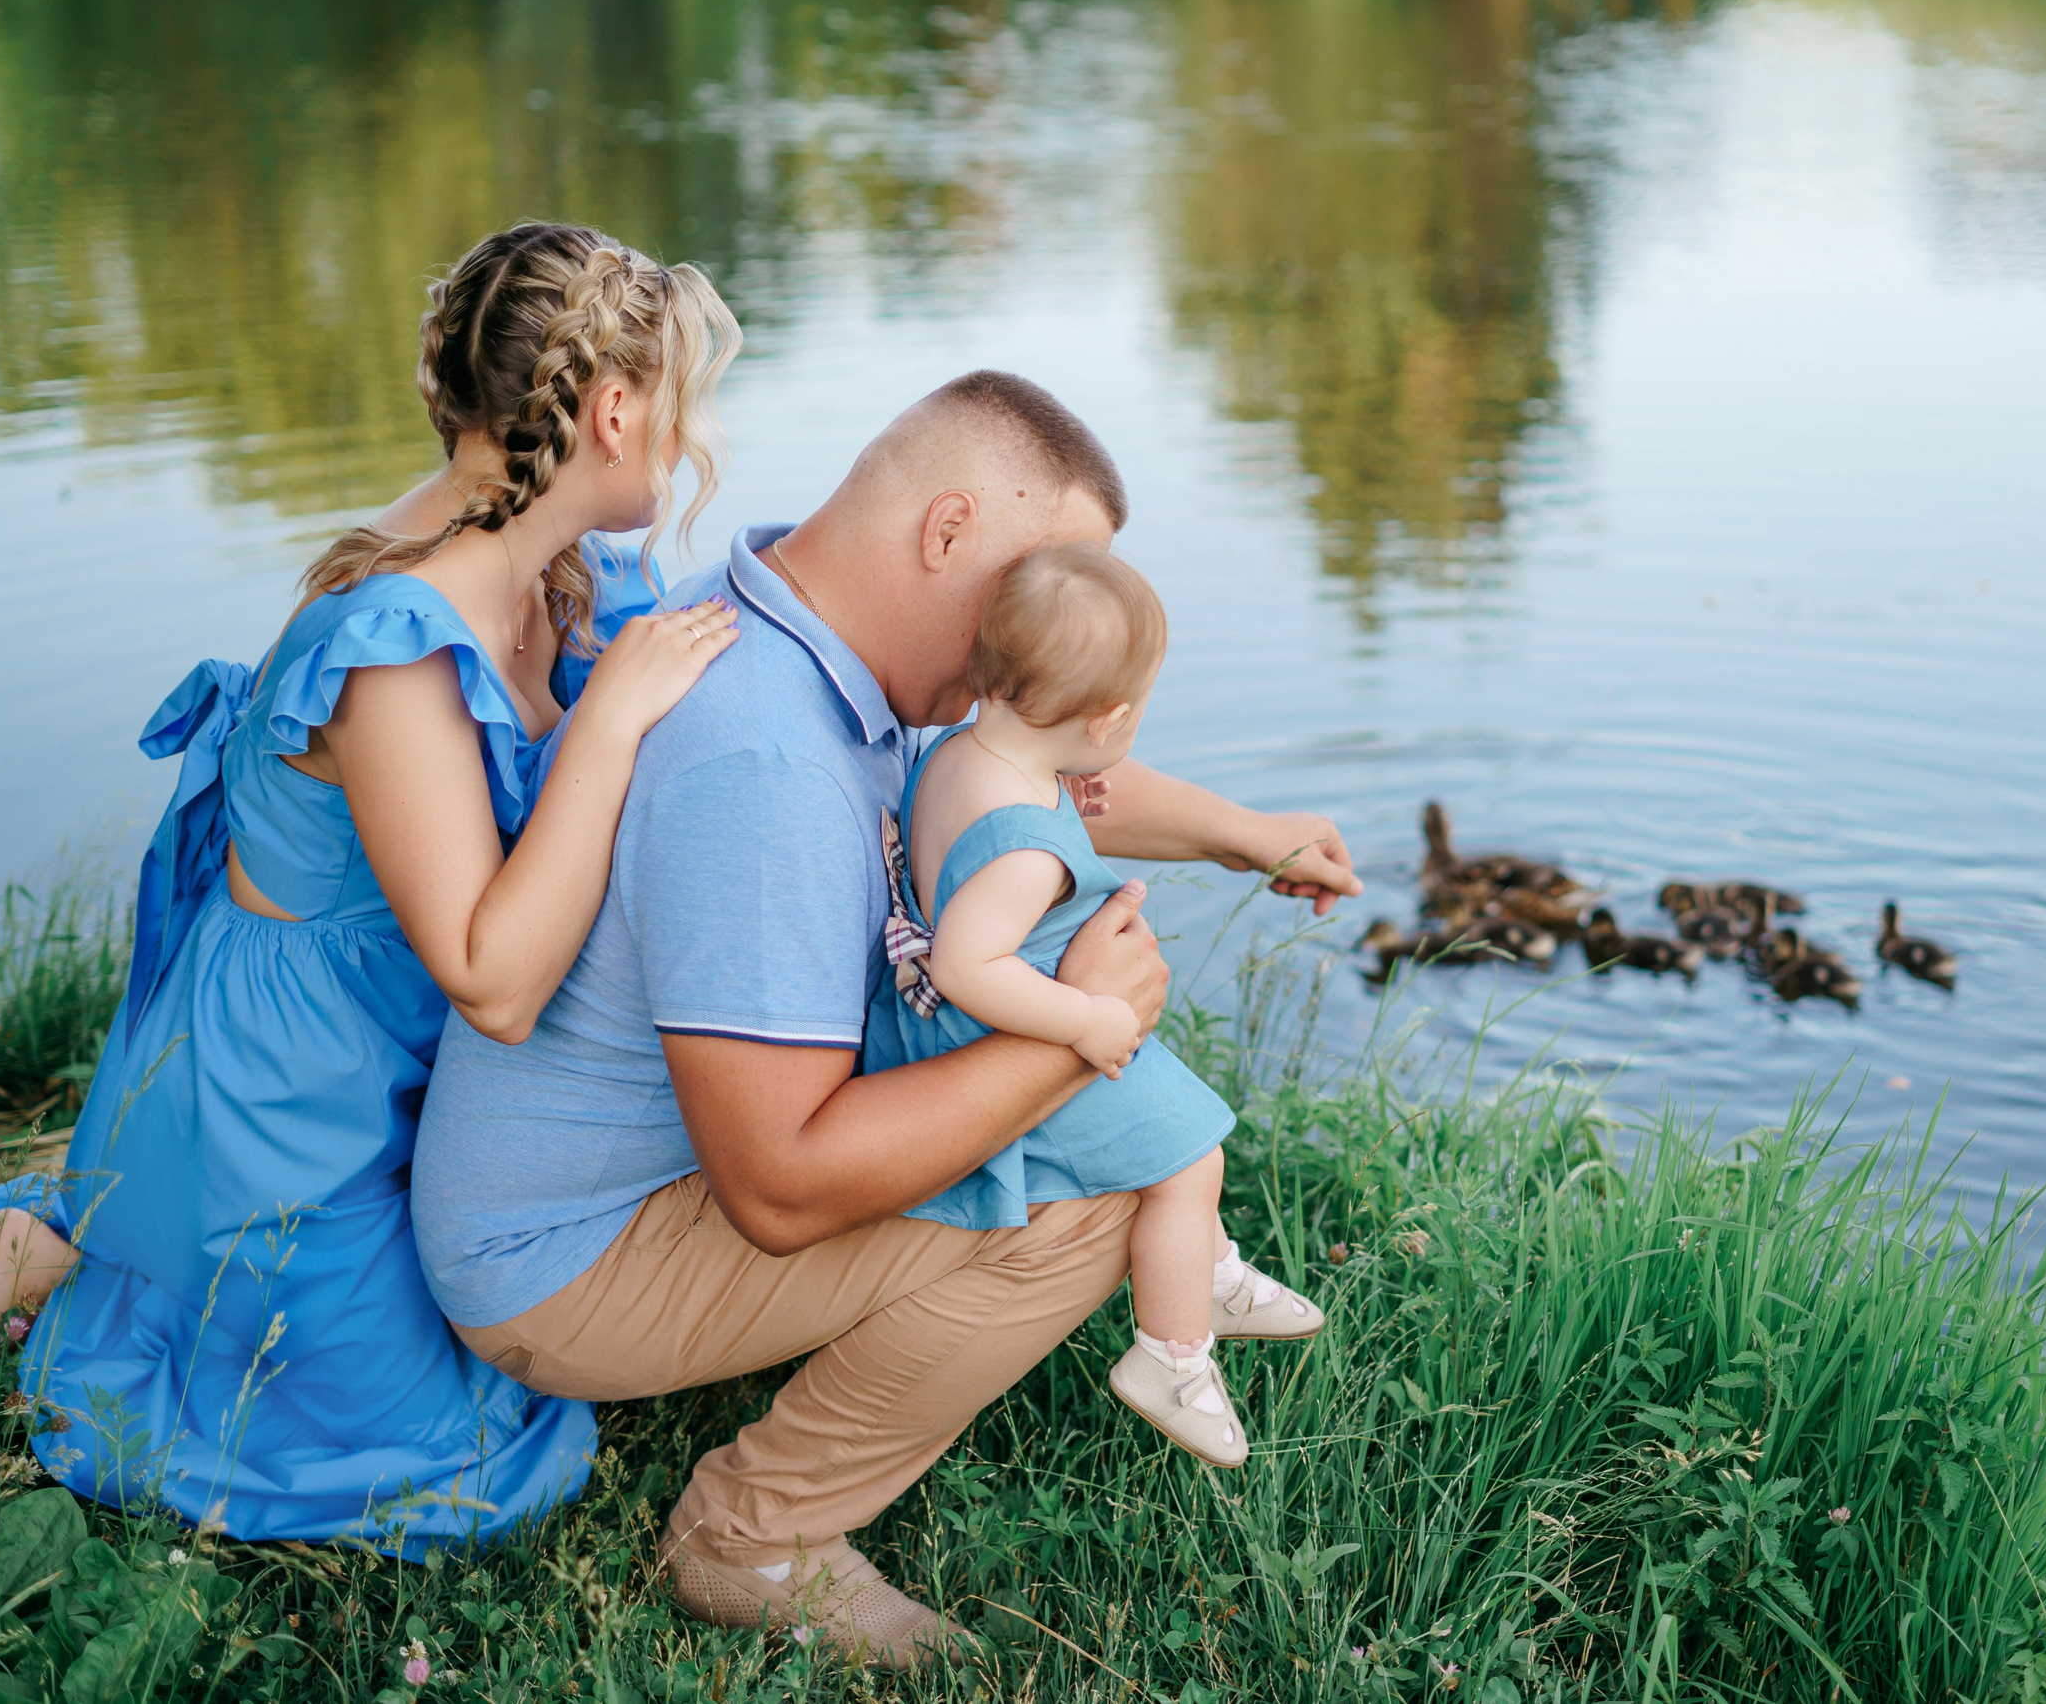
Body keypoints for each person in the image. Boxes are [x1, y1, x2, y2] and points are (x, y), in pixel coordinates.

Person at [410, 370, 1361, 1667]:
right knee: (1084, 1190)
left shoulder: (794, 621)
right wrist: (1074, 1026)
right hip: (565, 1262)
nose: (1056, 639)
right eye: (1047, 587)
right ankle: (754, 1535)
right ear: (949, 531)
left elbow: (1025, 776)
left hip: (584, 1175)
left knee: (1057, 1113)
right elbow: (781, 1187)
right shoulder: (771, 765)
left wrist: (1249, 836)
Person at [0, 222, 746, 1551]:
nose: (688, 444)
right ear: (613, 410)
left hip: (403, 1047)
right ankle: (95, 1261)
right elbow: (495, 982)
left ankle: (101, 1248)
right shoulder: (396, 642)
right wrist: (607, 721)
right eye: (681, 410)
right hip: (297, 1093)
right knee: (443, 1454)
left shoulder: (540, 554)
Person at [886, 540, 1324, 1471]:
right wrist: (1084, 1020)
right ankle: (1173, 1351)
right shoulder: (1025, 848)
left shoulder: (962, 754)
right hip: (1014, 1026)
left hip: (1023, 1004)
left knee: (1183, 1130)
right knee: (1188, 1157)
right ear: (1111, 719)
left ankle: (1209, 1273)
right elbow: (967, 964)